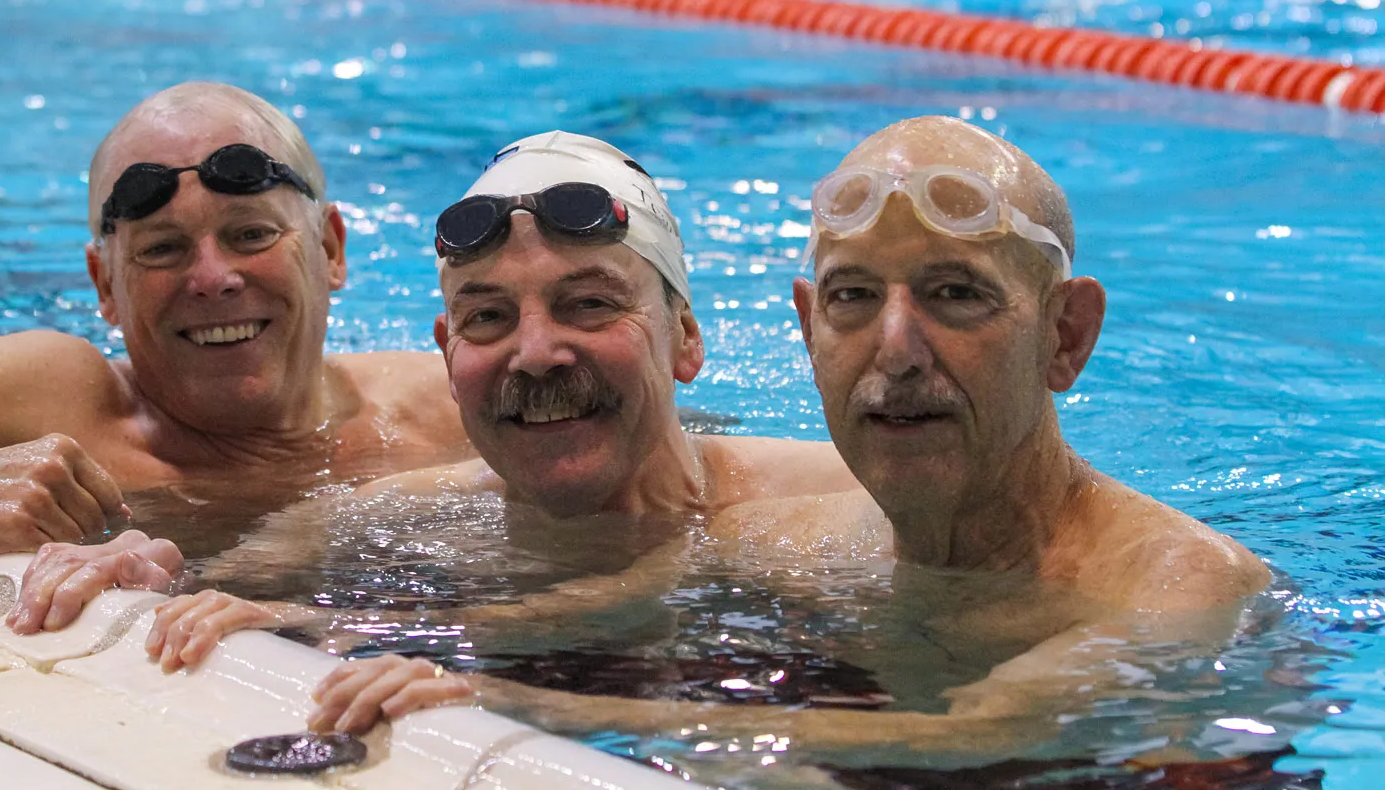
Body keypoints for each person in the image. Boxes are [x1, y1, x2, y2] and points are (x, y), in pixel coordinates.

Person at [251, 117, 1274, 751]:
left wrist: (516, 702)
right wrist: (342, 636)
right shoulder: (817, 535)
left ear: (1066, 335)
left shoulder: (1176, 581)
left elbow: (968, 733)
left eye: (957, 295)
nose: (897, 348)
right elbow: (608, 594)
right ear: (804, 326)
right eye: (852, 298)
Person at [6, 131, 863, 666]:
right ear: (449, 357)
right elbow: (203, 586)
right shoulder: (383, 518)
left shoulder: (836, 506)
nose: (535, 353)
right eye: (488, 318)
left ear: (686, 338)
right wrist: (130, 568)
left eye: (589, 303)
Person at [0, 82, 472, 554]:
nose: (211, 279)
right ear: (103, 286)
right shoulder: (55, 402)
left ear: (330, 250)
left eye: (251, 234)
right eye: (163, 249)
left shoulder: (450, 412)